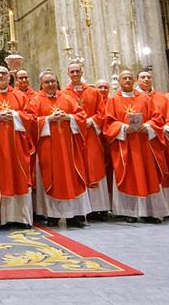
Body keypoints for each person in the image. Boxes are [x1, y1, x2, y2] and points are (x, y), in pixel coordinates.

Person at [27, 70, 91, 228]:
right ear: (41, 84)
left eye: (53, 81)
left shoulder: (67, 99)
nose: (50, 85)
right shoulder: (35, 100)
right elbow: (29, 121)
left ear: (57, 82)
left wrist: (68, 118)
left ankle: (74, 215)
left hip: (69, 148)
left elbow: (81, 116)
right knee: (50, 179)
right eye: (47, 82)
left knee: (72, 179)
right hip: (48, 149)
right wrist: (48, 119)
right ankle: (53, 215)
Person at [103, 70, 168, 223]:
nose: (127, 80)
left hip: (144, 144)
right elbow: (108, 123)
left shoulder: (145, 99)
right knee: (128, 176)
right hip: (125, 145)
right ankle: (129, 212)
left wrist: (148, 126)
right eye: (124, 78)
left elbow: (157, 118)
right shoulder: (112, 101)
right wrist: (124, 128)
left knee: (148, 175)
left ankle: (151, 212)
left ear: (134, 81)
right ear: (119, 81)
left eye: (130, 78)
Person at [0, 66, 34, 227]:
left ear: (10, 77)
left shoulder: (19, 95)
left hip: (17, 146)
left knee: (19, 178)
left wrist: (16, 115)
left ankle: (22, 218)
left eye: (4, 73)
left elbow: (31, 117)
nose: (1, 76)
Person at [61, 63, 110, 220]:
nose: (75, 74)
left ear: (82, 72)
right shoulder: (64, 94)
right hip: (74, 137)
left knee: (94, 165)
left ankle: (99, 208)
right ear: (68, 73)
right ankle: (82, 208)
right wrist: (78, 122)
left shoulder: (94, 92)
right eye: (72, 71)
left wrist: (91, 121)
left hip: (91, 135)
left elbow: (102, 113)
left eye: (77, 71)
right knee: (77, 168)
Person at [136, 71, 169, 216]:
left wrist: (166, 128)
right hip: (144, 141)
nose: (146, 79)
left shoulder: (162, 98)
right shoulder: (134, 98)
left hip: (162, 141)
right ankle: (154, 209)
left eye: (148, 77)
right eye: (143, 77)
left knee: (168, 174)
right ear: (138, 80)